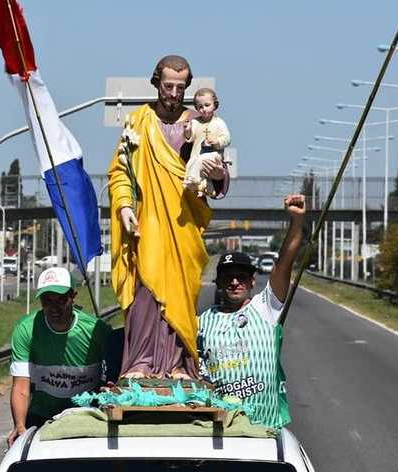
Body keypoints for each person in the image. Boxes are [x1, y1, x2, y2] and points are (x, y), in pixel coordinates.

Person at [108, 55, 230, 380]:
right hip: (148, 225)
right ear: (156, 83)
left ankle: (180, 365)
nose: (173, 93)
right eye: (168, 86)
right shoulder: (138, 122)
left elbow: (218, 178)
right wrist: (124, 207)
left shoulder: (200, 124)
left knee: (182, 291)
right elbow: (121, 171)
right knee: (147, 291)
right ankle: (140, 363)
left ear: (187, 88)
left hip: (183, 225)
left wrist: (217, 172)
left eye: (180, 87)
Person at [197, 194, 307, 429]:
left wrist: (296, 222)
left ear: (252, 282)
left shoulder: (265, 308)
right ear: (217, 282)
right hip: (222, 430)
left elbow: (285, 262)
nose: (235, 282)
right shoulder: (201, 323)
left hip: (265, 428)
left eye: (242, 277)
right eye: (228, 277)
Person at [7, 266, 112, 446]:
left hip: (88, 416)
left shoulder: (96, 330)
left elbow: (114, 378)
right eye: (47, 301)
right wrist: (20, 426)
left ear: (73, 297)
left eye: (61, 300)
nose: (54, 308)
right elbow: (21, 387)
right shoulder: (26, 329)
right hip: (42, 416)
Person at [183, 87, 231, 197]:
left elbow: (227, 138)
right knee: (192, 163)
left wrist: (217, 142)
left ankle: (193, 181)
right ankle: (207, 188)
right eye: (200, 107)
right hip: (197, 154)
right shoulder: (195, 122)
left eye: (207, 105)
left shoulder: (219, 123)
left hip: (214, 156)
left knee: (201, 161)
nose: (203, 109)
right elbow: (190, 138)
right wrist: (188, 130)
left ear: (215, 105)